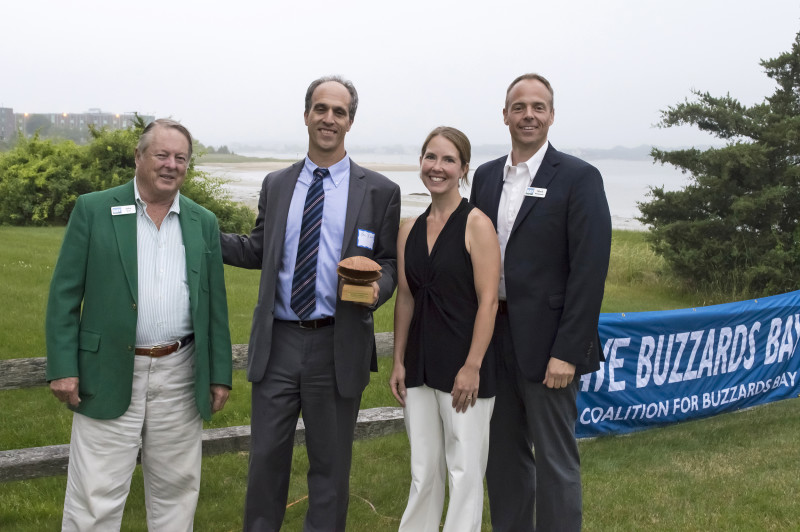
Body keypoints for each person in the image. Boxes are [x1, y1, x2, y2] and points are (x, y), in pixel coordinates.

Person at [220, 75, 401, 531]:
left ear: (350, 122)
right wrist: (200, 233)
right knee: (265, 463)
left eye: (339, 112)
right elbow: (259, 249)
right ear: (306, 116)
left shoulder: (379, 191)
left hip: (337, 344)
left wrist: (379, 288)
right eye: (321, 109)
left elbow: (389, 261)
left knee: (331, 469)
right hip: (278, 342)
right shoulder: (277, 184)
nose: (329, 119)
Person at [45, 118, 233, 531]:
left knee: (177, 492)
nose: (171, 165)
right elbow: (63, 295)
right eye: (161, 155)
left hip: (180, 375)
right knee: (94, 495)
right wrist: (63, 367)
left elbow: (214, 306)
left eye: (180, 158)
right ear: (138, 157)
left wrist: (220, 374)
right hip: (108, 371)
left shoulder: (203, 221)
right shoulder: (93, 209)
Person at [469, 73, 612, 531]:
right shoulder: (487, 177)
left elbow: (589, 273)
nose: (528, 115)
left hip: (551, 345)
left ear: (551, 115)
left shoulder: (579, 178)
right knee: (503, 459)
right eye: (519, 106)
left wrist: (568, 352)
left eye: (539, 107)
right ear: (505, 115)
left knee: (556, 463)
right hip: (495, 339)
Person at [390, 126, 500, 531]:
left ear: (464, 169)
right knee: (424, 470)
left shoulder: (477, 224)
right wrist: (398, 360)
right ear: (421, 162)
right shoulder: (408, 229)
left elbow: (489, 302)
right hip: (418, 363)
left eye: (448, 159)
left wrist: (472, 365)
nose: (437, 167)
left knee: (464, 470)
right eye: (430, 157)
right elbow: (406, 297)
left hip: (463, 365)